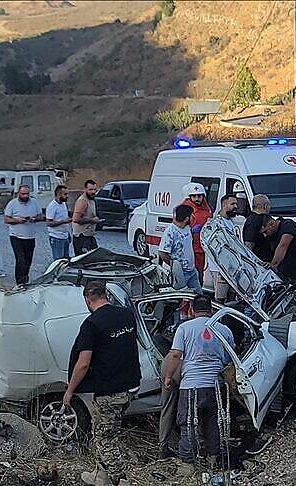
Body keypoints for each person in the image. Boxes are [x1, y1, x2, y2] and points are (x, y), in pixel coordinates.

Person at [64, 281, 141, 485]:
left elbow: (83, 363)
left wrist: (70, 391)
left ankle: (121, 479)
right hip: (130, 385)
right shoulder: (126, 315)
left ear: (87, 300)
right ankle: (101, 476)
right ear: (105, 295)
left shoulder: (92, 324)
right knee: (100, 429)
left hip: (110, 390)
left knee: (104, 437)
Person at [163, 294, 235, 467]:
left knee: (189, 424)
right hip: (215, 385)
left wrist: (168, 377)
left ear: (192, 310)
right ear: (211, 310)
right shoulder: (223, 329)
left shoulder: (184, 328)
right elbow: (230, 357)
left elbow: (175, 355)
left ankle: (188, 464)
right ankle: (213, 458)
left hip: (191, 386)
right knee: (213, 423)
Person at [4, 185, 45, 285]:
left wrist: (34, 219)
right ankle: (19, 282)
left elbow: (41, 216)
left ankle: (25, 279)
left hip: (30, 236)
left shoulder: (34, 202)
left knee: (28, 261)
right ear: (18, 193)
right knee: (20, 260)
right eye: (23, 194)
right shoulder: (12, 204)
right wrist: (17, 220)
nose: (25, 196)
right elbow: (6, 219)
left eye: (27, 194)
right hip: (16, 236)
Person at [159, 205, 200, 292]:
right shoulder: (170, 232)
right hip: (181, 274)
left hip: (191, 270)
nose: (193, 217)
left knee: (198, 295)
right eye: (192, 215)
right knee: (180, 296)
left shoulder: (187, 228)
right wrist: (176, 267)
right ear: (186, 219)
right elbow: (162, 253)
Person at [206, 194, 238, 303]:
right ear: (224, 205)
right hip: (220, 268)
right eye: (232, 204)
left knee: (232, 298)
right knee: (220, 299)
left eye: (236, 204)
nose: (236, 206)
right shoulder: (216, 223)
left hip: (231, 267)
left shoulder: (230, 222)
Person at [261, 216, 296, 280]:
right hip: (283, 274)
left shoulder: (288, 226)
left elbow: (282, 246)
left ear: (272, 224)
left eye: (265, 231)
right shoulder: (273, 232)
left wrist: (272, 265)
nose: (265, 235)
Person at [181, 183, 213, 282]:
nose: (197, 198)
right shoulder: (184, 209)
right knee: (187, 274)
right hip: (187, 249)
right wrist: (190, 230)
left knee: (199, 274)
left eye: (199, 196)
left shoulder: (207, 209)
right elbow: (178, 228)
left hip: (200, 248)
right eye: (194, 196)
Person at [72, 180, 101, 256]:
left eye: (95, 190)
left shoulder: (91, 200)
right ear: (85, 189)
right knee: (84, 259)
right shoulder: (82, 201)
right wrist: (92, 220)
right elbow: (76, 219)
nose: (93, 192)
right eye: (90, 189)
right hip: (82, 237)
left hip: (89, 235)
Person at [243, 194, 272, 262]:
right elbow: (249, 244)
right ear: (265, 206)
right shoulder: (253, 220)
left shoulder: (251, 220)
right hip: (259, 260)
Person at [47, 185, 72, 261]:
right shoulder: (52, 206)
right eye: (65, 194)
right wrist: (63, 222)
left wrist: (68, 234)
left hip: (65, 236)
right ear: (59, 194)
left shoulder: (63, 204)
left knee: (66, 260)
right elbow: (49, 223)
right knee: (59, 261)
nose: (67, 196)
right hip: (56, 237)